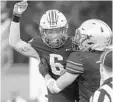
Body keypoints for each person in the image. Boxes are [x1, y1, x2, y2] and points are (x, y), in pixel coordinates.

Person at [9, 1, 79, 102]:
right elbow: (14, 42)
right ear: (43, 31)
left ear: (65, 29)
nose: (54, 36)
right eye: (50, 31)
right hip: (58, 98)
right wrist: (16, 16)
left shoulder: (76, 43)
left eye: (58, 30)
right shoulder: (39, 44)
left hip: (81, 94)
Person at [43, 19, 112, 102]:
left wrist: (45, 73)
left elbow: (54, 88)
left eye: (83, 37)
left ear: (93, 41)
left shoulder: (79, 58)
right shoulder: (109, 56)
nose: (79, 40)